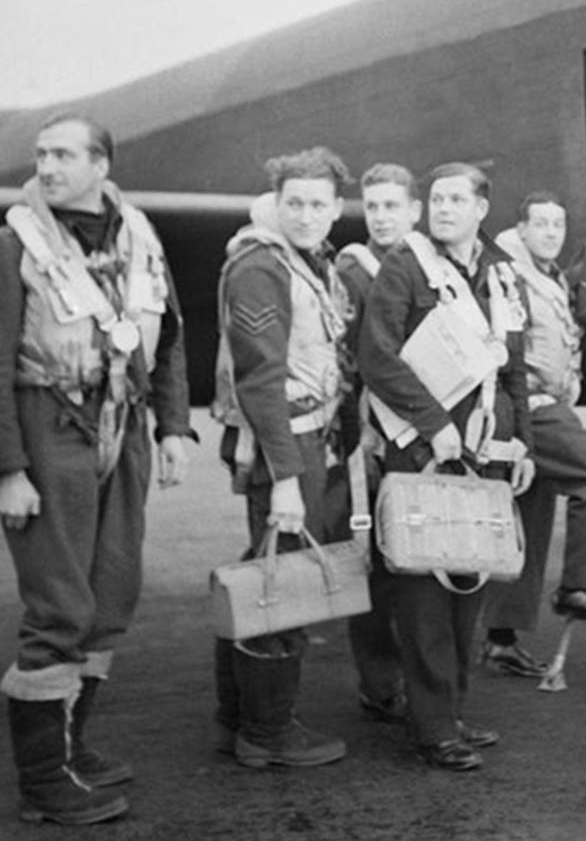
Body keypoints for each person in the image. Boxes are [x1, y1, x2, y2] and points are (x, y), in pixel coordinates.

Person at [0, 113, 194, 825]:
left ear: (101, 163)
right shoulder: (12, 246)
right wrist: (8, 468)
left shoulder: (140, 238)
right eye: (42, 155)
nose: (48, 166)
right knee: (59, 607)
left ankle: (71, 746)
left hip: (121, 429)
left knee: (110, 597)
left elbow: (172, 337)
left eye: (64, 155)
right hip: (48, 431)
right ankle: (43, 784)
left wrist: (174, 426)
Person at [359, 162, 535, 771]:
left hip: (487, 450)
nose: (444, 209)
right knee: (425, 590)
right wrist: (435, 429)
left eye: (457, 199)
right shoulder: (405, 267)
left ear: (483, 208)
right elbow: (376, 358)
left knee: (471, 581)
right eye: (436, 199)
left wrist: (525, 446)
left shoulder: (502, 275)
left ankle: (451, 710)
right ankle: (433, 726)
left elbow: (515, 371)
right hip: (423, 448)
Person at [210, 147, 355, 770]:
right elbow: (260, 381)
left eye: (317, 204)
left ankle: (237, 718)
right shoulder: (260, 267)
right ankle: (267, 733)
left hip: (308, 436)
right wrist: (288, 480)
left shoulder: (308, 261)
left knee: (265, 570)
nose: (304, 214)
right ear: (276, 202)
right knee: (283, 581)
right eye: (293, 202)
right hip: (284, 442)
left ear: (335, 208)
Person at [481, 191, 586, 677]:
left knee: (530, 520)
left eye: (557, 225)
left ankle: (500, 640)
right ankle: (577, 587)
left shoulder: (547, 275)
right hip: (534, 405)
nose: (550, 233)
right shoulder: (510, 274)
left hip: (547, 402)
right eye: (540, 224)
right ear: (520, 229)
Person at [334, 163, 423, 723]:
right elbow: (341, 361)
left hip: (420, 428)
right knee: (376, 562)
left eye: (393, 206)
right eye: (374, 207)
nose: (383, 217)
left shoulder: (423, 263)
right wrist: (357, 431)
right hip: (371, 430)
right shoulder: (353, 269)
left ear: (414, 211)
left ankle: (421, 677)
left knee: (421, 554)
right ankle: (380, 680)